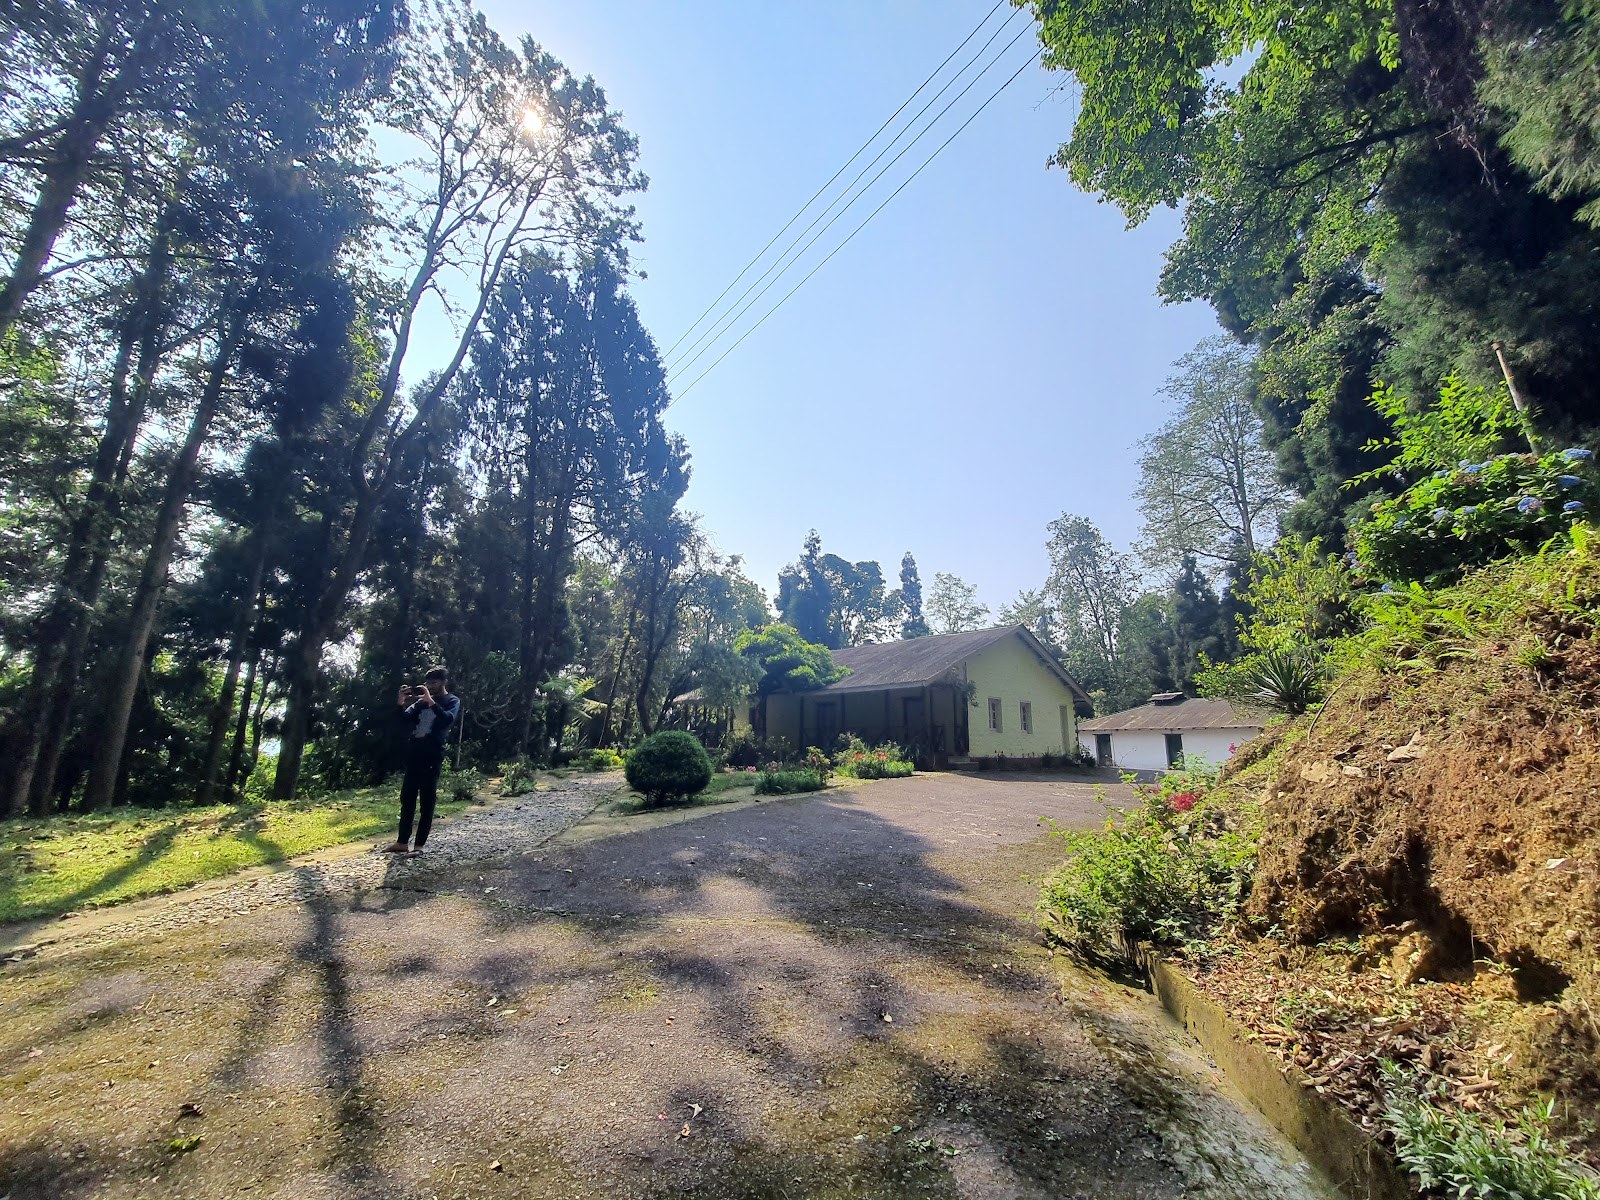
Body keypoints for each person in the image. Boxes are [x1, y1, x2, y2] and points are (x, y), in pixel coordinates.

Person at [385, 666, 460, 855]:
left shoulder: (452, 700)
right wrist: (400, 703)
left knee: (427, 800)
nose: (430, 686)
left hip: (433, 754)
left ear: (444, 682)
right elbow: (403, 721)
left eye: (434, 683)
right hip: (414, 753)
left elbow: (447, 720)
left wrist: (432, 702)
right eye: (427, 683)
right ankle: (402, 842)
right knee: (407, 797)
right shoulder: (418, 704)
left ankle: (419, 845)